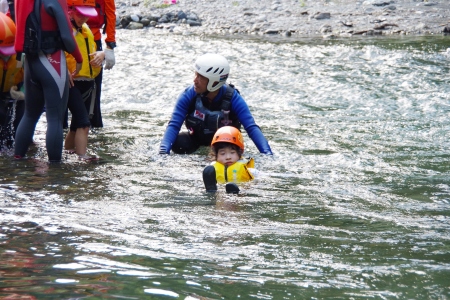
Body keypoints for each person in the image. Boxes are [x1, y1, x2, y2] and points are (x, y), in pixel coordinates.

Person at [159, 53, 273, 155]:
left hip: (225, 145)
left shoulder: (234, 98)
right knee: (179, 143)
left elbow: (251, 128)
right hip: (198, 139)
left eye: (201, 77)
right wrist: (163, 153)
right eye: (195, 74)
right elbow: (174, 125)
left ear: (214, 82)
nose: (195, 80)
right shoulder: (189, 94)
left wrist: (267, 154)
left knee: (225, 154)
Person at [13, 0, 82, 162]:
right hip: (52, 61)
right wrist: (79, 59)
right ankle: (55, 171)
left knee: (29, 115)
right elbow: (67, 36)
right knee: (55, 118)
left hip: (30, 61)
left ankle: (18, 160)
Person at [64, 0, 104, 160]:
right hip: (72, 83)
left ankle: (67, 154)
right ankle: (82, 158)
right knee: (84, 123)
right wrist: (63, 70)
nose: (84, 19)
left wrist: (103, 54)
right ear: (70, 10)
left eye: (86, 15)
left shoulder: (86, 30)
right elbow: (54, 52)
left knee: (75, 127)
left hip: (87, 84)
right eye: (80, 14)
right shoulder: (65, 29)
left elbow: (94, 51)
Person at [85, 0, 116, 128]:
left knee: (94, 90)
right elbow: (110, 13)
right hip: (74, 38)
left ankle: (94, 126)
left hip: (92, 40)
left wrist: (110, 45)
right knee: (93, 90)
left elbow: (110, 13)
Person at [203, 126, 258, 194]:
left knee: (239, 191)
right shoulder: (211, 170)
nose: (228, 157)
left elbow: (261, 180)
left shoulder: (250, 171)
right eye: (222, 153)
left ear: (239, 152)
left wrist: (249, 186)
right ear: (216, 155)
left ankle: (236, 193)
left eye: (232, 152)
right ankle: (212, 190)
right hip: (220, 193)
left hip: (241, 192)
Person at [0, 12, 24, 149]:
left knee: (18, 120)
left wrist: (23, 92)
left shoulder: (21, 57)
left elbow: (31, 80)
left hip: (12, 92)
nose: (6, 55)